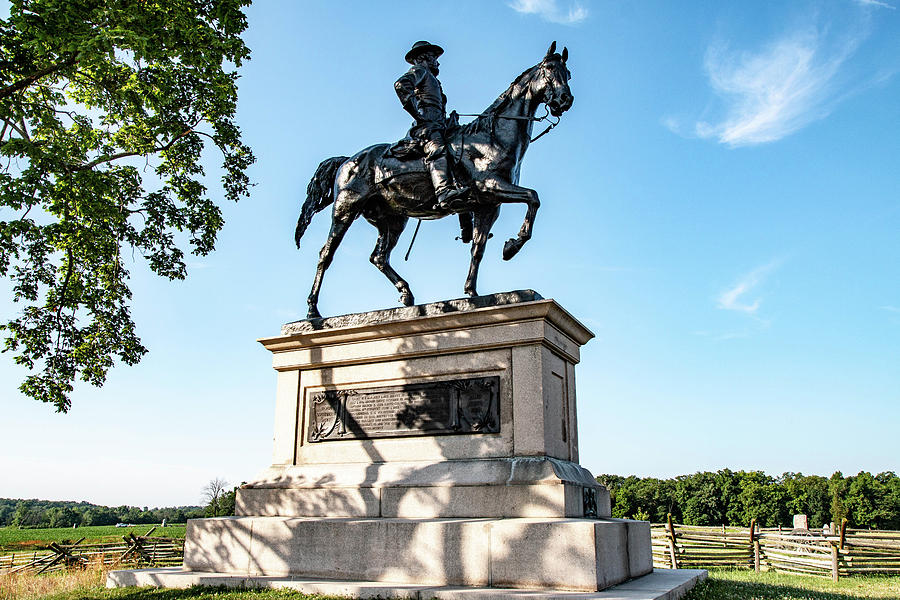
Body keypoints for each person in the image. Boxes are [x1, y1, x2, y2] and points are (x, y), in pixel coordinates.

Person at [395, 41, 471, 211]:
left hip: (439, 125)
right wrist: (418, 115)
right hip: (426, 128)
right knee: (438, 149)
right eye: (435, 58)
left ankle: (465, 215)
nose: (438, 62)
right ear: (425, 58)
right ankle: (443, 192)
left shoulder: (433, 79)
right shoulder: (419, 71)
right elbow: (401, 85)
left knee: (461, 152)